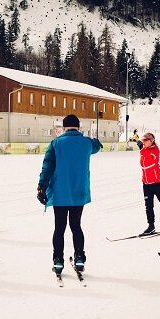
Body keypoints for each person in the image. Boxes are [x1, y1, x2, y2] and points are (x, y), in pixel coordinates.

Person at [37, 114, 102, 275]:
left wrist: (41, 187)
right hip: (79, 192)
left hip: (60, 193)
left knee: (59, 228)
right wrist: (92, 138)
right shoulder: (87, 143)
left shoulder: (56, 144)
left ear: (63, 128)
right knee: (76, 226)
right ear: (79, 127)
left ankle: (58, 261)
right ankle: (79, 258)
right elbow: (98, 146)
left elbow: (47, 167)